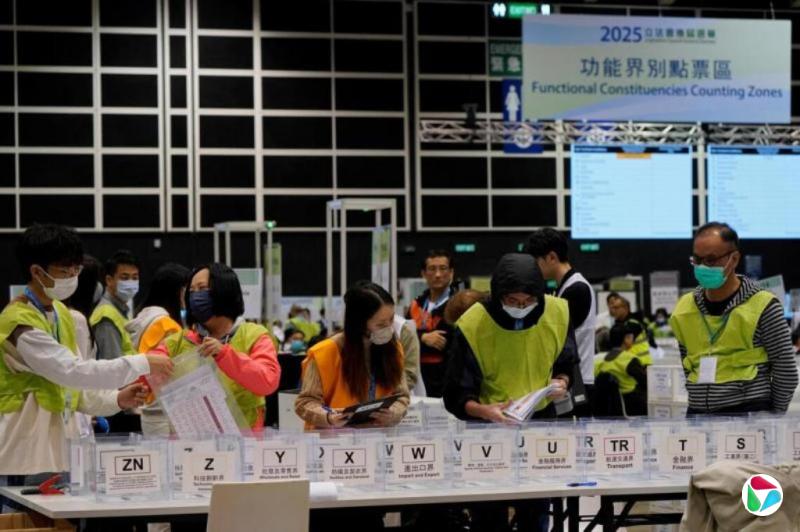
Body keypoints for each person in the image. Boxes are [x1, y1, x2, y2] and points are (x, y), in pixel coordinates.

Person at [0, 224, 172, 490]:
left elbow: (74, 390)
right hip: (23, 454)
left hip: (61, 453)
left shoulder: (61, 314)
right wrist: (143, 362)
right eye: (64, 271)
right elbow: (72, 371)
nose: (72, 277)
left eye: (75, 270)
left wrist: (116, 399)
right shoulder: (18, 321)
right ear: (37, 271)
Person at [443, 253, 578, 532]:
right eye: (513, 301)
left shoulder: (557, 312)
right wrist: (484, 411)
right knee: (489, 513)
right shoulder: (473, 324)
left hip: (539, 423)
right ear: (497, 295)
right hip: (488, 429)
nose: (521, 307)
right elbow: (456, 393)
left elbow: (567, 363)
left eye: (528, 301)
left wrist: (562, 381)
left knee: (536, 509)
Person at [670, 222, 798, 415]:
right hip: (698, 414)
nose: (702, 266)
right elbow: (687, 365)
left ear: (734, 259)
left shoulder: (763, 305)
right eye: (697, 259)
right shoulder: (684, 308)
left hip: (749, 415)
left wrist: (771, 419)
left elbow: (786, 372)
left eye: (711, 260)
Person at [149, 263, 281, 431]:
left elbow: (268, 382)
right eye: (191, 291)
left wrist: (225, 355)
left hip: (245, 440)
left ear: (225, 290)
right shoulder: (177, 342)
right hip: (190, 441)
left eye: (202, 288)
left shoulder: (254, 335)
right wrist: (144, 372)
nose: (195, 296)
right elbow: (146, 372)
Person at [295, 281, 409, 430]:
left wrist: (393, 413)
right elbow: (305, 402)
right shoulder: (324, 353)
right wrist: (328, 417)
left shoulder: (394, 349)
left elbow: (402, 396)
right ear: (359, 323)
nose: (389, 328)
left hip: (378, 437)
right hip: (332, 438)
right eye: (381, 324)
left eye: (392, 319)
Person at [526, 228, 596, 415]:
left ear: (551, 257)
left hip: (578, 382)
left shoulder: (577, 289)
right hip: (569, 380)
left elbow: (558, 338)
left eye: (536, 262)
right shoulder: (565, 287)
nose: (534, 269)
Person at [126, 262, 190, 437]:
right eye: (187, 290)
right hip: (166, 412)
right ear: (176, 291)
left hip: (151, 409)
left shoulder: (145, 317)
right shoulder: (165, 325)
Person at [406, 250, 458, 397]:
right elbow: (403, 338)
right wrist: (423, 338)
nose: (438, 274)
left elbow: (449, 342)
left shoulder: (458, 304)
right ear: (423, 273)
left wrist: (417, 338)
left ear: (451, 272)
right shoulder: (416, 304)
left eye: (443, 268)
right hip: (417, 377)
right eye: (432, 269)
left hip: (447, 380)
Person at [126, 262, 190, 354]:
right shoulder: (168, 327)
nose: (190, 294)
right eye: (187, 289)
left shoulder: (145, 315)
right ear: (176, 292)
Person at [90, 249, 140, 360]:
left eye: (135, 278)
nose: (130, 283)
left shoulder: (120, 310)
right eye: (125, 278)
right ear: (109, 280)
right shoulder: (106, 317)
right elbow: (111, 363)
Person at [594, 322, 649, 416]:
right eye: (631, 337)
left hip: (610, 407)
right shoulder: (629, 359)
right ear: (626, 339)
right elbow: (645, 382)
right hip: (632, 405)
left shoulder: (602, 360)